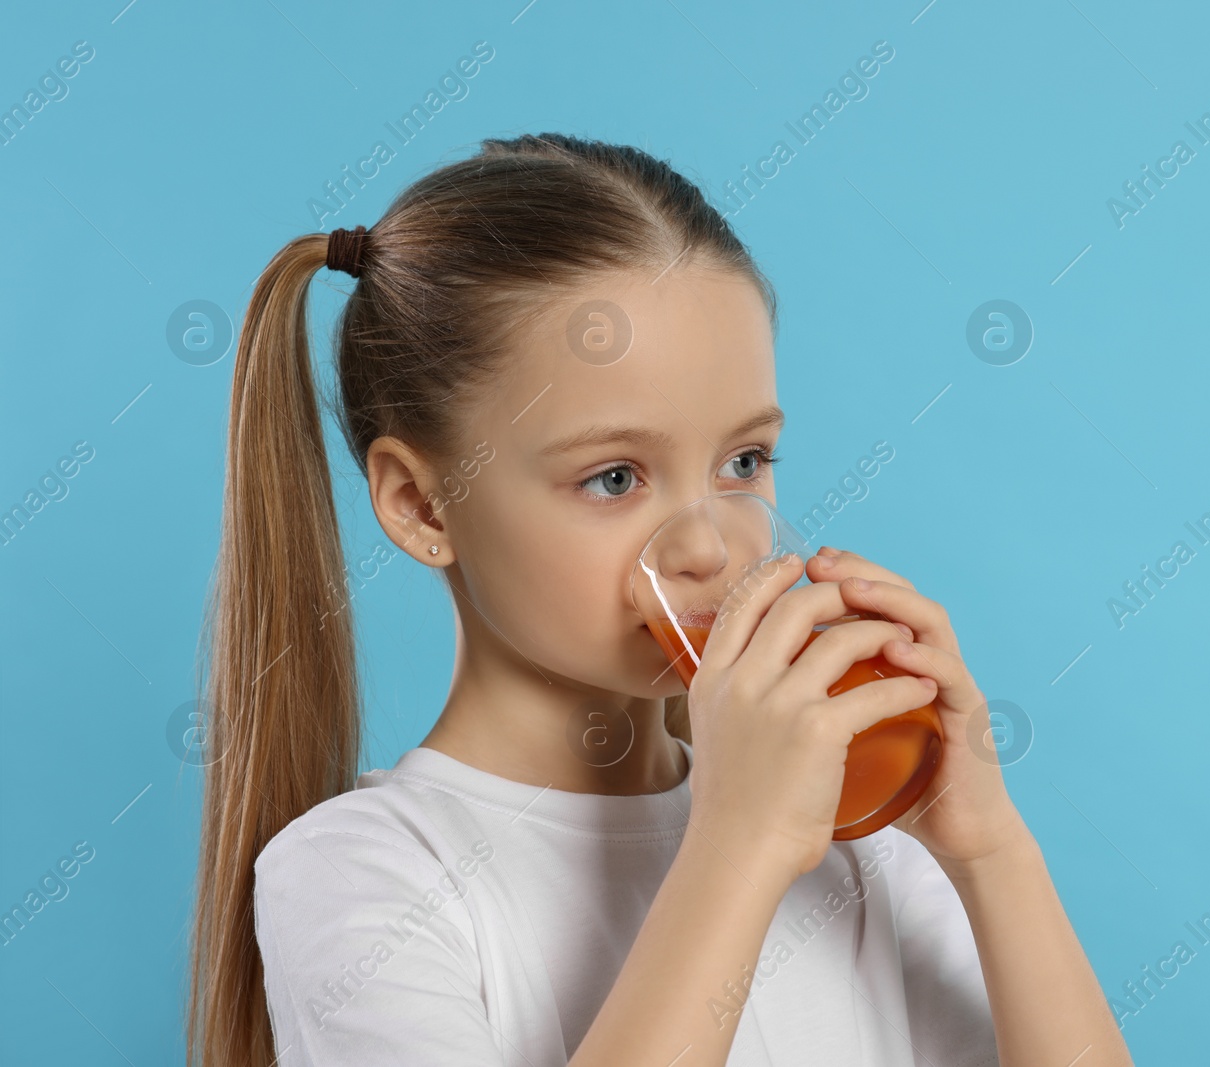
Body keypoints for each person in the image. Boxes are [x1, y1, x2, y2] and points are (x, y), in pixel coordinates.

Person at [185, 132, 1133, 1067]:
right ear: (423, 503)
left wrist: (991, 853)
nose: (709, 543)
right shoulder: (365, 875)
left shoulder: (859, 844)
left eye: (744, 461)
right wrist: (738, 847)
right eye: (613, 477)